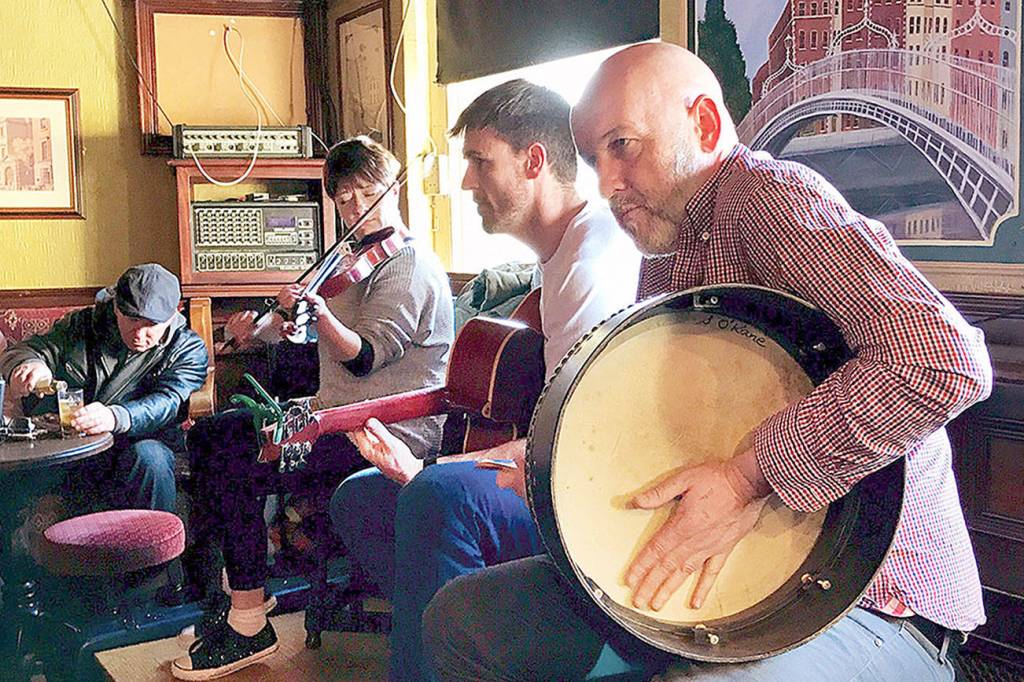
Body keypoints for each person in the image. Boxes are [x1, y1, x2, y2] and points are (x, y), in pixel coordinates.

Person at [422, 43, 993, 682]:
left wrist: (747, 477)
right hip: (716, 591)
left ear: (705, 124)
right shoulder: (663, 249)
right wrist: (560, 460)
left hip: (874, 601)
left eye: (623, 145)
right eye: (593, 159)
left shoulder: (769, 200)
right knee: (463, 618)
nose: (606, 183)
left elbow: (945, 361)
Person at [328, 78, 641, 682]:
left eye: (479, 160)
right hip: (556, 470)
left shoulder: (592, 261)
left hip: (597, 497)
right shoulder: (555, 261)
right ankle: (476, 648)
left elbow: (577, 442)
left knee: (438, 497)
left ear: (533, 162)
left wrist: (427, 468)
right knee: (360, 499)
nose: (467, 181)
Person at [171, 136, 454, 680]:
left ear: (393, 190)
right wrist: (269, 329)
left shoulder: (409, 267)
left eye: (367, 192)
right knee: (211, 435)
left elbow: (363, 357)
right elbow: (314, 348)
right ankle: (242, 595)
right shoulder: (350, 260)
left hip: (386, 431)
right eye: (344, 198)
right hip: (338, 414)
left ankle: (249, 622)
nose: (356, 206)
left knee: (233, 451)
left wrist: (320, 315)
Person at [0, 263, 208, 514]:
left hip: (139, 445)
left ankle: (156, 541)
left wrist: (116, 417)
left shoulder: (187, 348)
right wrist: (29, 364)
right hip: (70, 447)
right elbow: (26, 350)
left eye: (152, 324)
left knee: (150, 459)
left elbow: (169, 402)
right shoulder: (83, 324)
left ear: (173, 314)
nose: (139, 333)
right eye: (132, 319)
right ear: (116, 307)